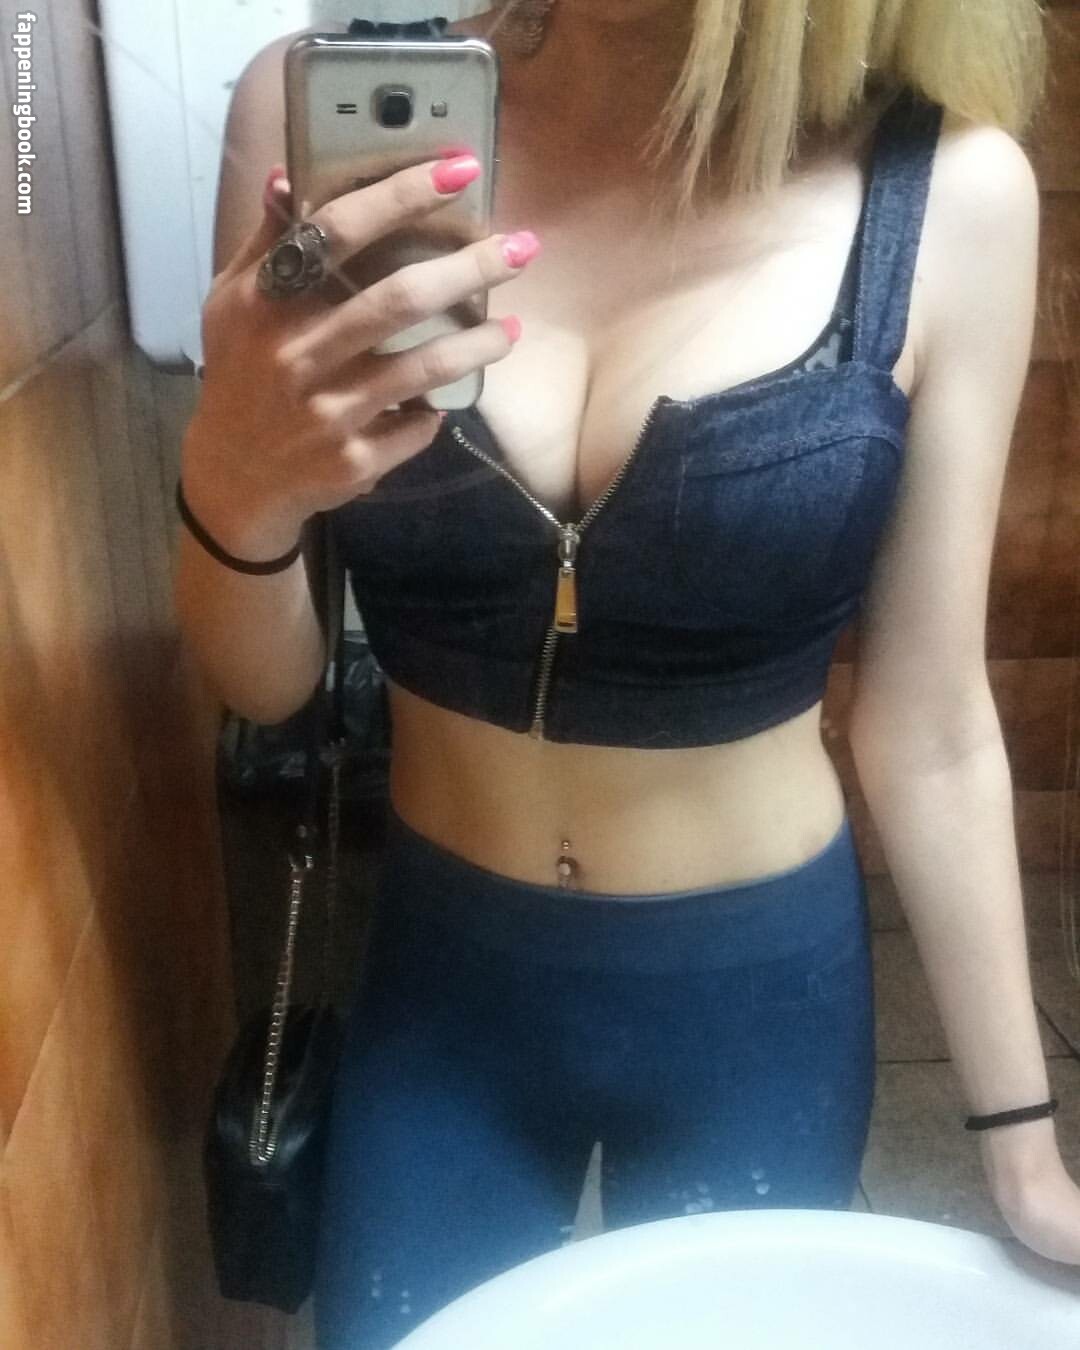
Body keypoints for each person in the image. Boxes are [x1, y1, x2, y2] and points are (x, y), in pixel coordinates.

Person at [174, 4, 1078, 1347]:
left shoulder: (949, 190)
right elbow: (270, 688)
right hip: (444, 990)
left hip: (757, 1006)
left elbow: (932, 724)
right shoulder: (316, 119)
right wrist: (233, 479)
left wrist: (1022, 1145)